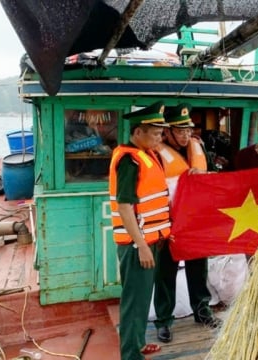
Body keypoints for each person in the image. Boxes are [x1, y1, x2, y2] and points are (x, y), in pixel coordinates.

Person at [154, 103, 221, 345]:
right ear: (167, 132)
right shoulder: (156, 155)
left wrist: (204, 177)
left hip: (195, 222)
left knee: (197, 270)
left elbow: (215, 179)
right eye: (179, 130)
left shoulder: (198, 147)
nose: (184, 135)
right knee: (165, 274)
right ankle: (163, 321)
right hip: (169, 224)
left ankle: (202, 311)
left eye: (187, 130)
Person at [108, 101, 171, 360]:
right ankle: (131, 354)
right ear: (137, 133)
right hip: (137, 244)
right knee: (134, 302)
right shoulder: (129, 160)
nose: (159, 137)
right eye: (154, 132)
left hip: (151, 239)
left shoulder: (148, 155)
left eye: (160, 132)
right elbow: (124, 207)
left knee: (143, 298)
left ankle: (138, 342)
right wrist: (142, 245)